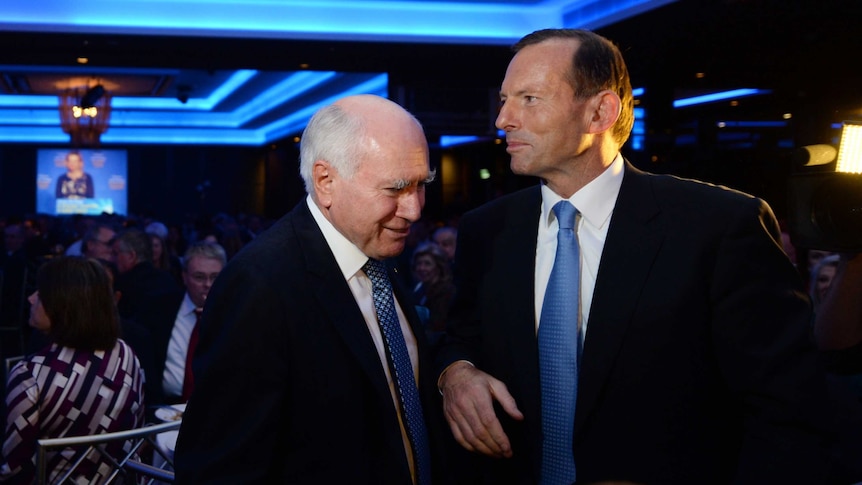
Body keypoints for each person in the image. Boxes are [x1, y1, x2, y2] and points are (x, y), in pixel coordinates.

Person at [435, 28, 862, 484]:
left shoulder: (718, 226)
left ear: (600, 111)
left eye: (529, 99)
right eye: (504, 99)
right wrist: (455, 373)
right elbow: (461, 334)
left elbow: (787, 415)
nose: (503, 119)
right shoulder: (487, 229)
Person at [174, 94, 447, 483]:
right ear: (326, 181)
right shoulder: (259, 284)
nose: (415, 209)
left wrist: (454, 371)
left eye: (421, 186)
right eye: (395, 189)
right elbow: (221, 467)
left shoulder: (378, 251)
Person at [1, 257, 144, 484]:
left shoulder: (31, 375)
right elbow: (135, 434)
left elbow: (15, 469)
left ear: (62, 304)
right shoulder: (126, 355)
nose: (31, 298)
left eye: (40, 293)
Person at [134, 241, 227, 405]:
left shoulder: (234, 313)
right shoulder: (159, 309)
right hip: (165, 408)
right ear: (184, 277)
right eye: (199, 277)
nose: (208, 285)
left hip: (218, 408)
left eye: (215, 277)